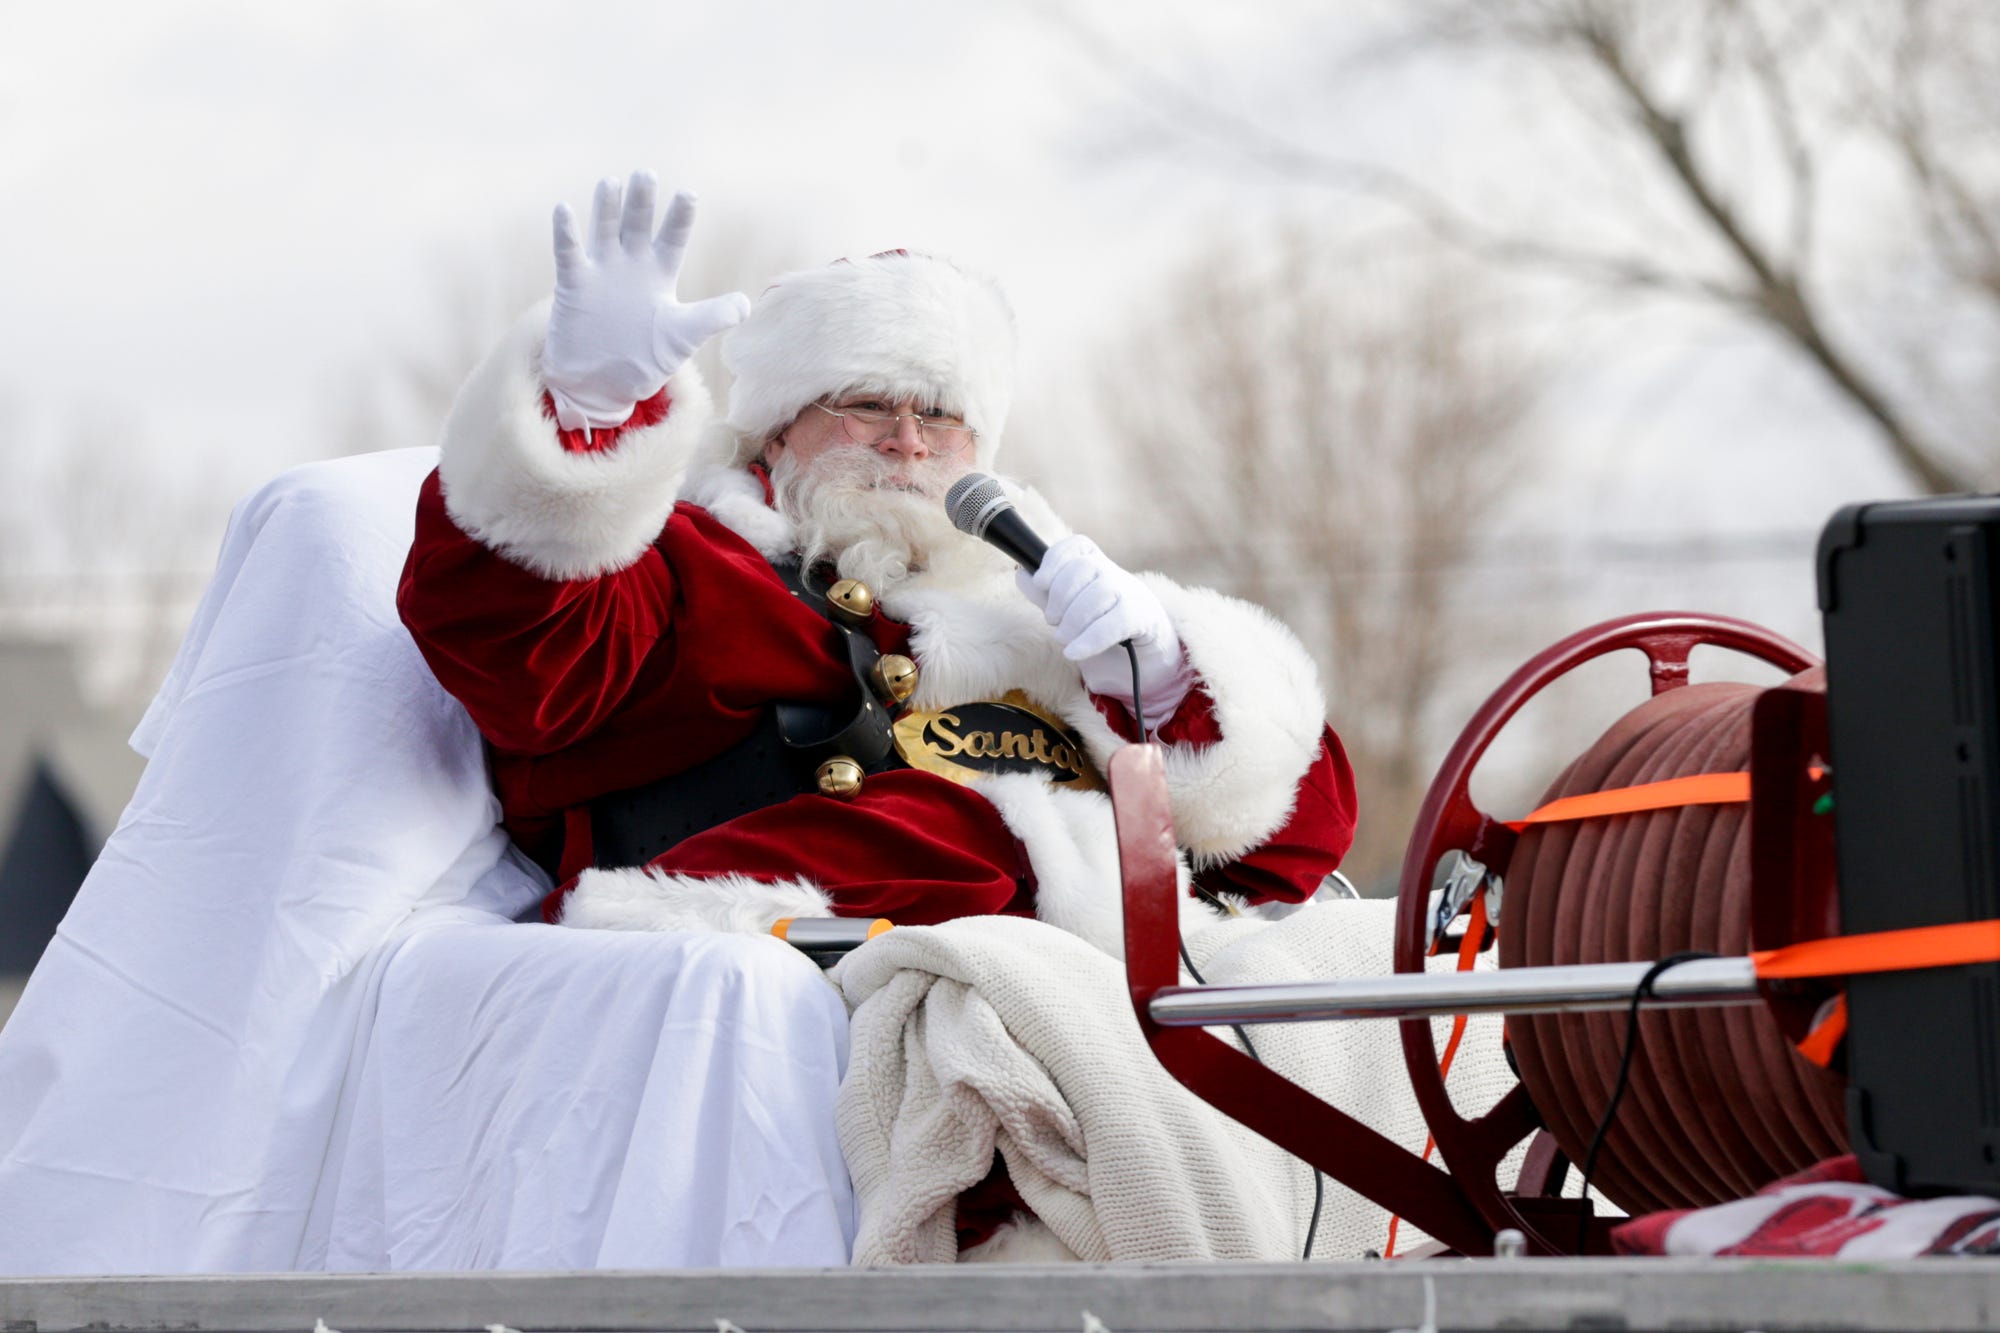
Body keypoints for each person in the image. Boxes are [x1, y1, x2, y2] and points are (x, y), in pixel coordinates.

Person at [398, 170, 1357, 965]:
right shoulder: (686, 563)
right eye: (866, 403)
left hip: (1064, 1003)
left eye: (941, 416)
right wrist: (586, 420)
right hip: (756, 981)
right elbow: (517, 650)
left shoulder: (1038, 607)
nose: (908, 442)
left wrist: (1162, 685)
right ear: (776, 428)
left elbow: (1292, 845)